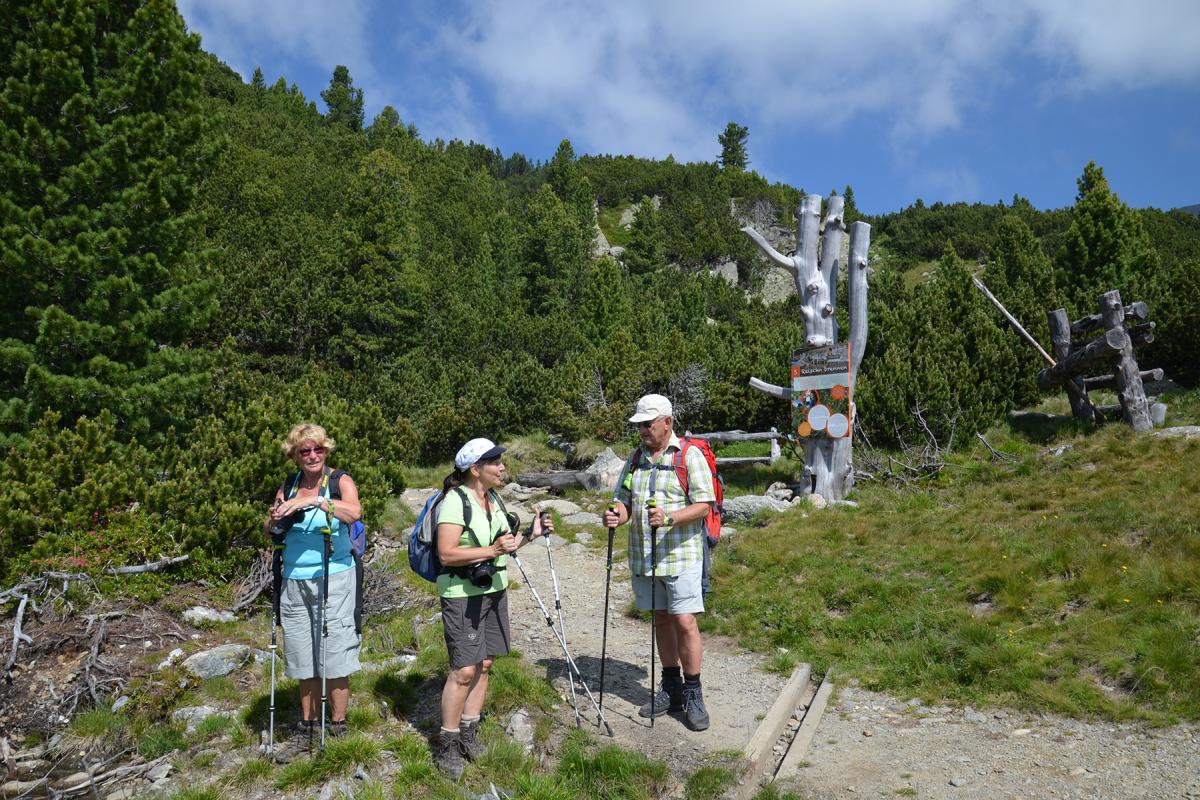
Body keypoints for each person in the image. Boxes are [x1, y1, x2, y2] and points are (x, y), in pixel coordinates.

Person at [433, 437, 551, 778]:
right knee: (464, 670)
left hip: (494, 590)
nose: (502, 467)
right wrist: (492, 551)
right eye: (495, 462)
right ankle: (448, 744)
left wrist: (532, 534)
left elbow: (504, 547)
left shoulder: (493, 499)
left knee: (484, 664)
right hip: (461, 595)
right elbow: (447, 553)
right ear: (475, 469)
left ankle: (470, 731)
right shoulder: (456, 501)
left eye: (501, 461)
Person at [602, 394, 715, 731]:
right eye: (639, 424)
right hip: (645, 557)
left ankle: (693, 692)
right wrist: (615, 515)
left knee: (684, 621)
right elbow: (625, 502)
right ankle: (671, 688)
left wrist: (669, 518)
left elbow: (704, 505)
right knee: (661, 620)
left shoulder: (689, 456)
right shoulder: (635, 460)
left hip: (681, 556)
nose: (642, 430)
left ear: (667, 421)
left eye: (648, 424)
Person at [263, 423, 362, 760]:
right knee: (302, 651)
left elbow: (353, 512)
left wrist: (320, 502)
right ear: (295, 455)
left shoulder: (339, 481)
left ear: (326, 451)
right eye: (304, 451)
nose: (312, 455)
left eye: (318, 449)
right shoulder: (288, 486)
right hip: (293, 579)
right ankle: (307, 726)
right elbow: (269, 528)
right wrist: (277, 516)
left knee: (334, 648)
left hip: (333, 575)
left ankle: (338, 724)